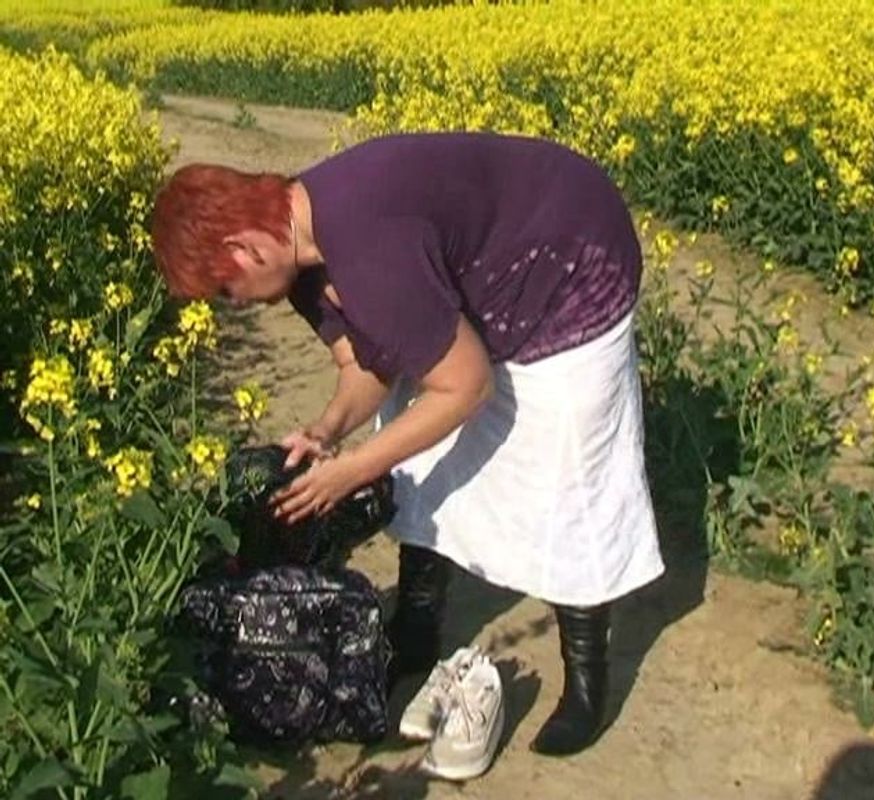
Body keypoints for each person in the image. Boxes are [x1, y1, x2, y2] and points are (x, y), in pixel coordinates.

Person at [151, 131, 664, 757]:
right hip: (494, 262)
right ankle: (417, 636)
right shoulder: (301, 250)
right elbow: (366, 367)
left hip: (571, 255)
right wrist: (326, 430)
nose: (235, 305)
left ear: (243, 246)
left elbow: (467, 386)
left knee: (567, 471)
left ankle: (586, 684)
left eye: (225, 291)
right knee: (415, 450)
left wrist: (351, 472)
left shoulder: (364, 244)